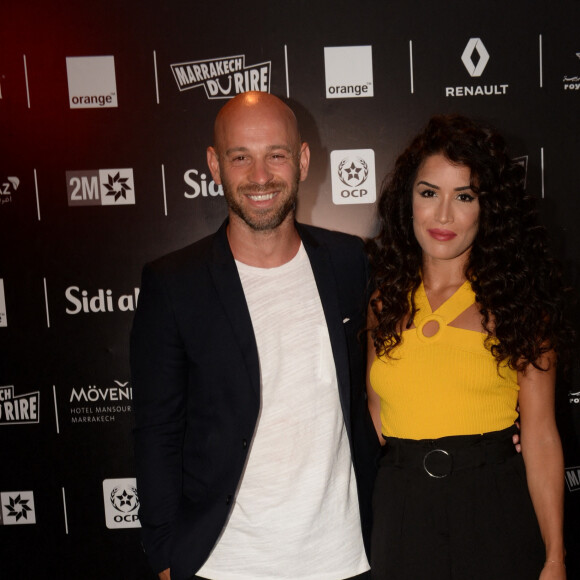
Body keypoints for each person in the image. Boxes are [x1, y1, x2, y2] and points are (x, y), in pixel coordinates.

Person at [131, 91, 379, 580]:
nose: (260, 176)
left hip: (344, 558)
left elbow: (393, 377)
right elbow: (156, 430)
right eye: (240, 156)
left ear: (303, 160)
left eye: (276, 155)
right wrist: (163, 554)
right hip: (226, 564)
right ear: (214, 164)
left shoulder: (351, 263)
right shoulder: (174, 283)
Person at [366, 114, 572, 579]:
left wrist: (555, 558)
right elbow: (378, 409)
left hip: (491, 505)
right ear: (408, 202)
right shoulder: (385, 302)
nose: (442, 216)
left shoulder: (517, 305)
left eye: (464, 197)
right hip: (402, 512)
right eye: (428, 193)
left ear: (488, 208)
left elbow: (540, 436)